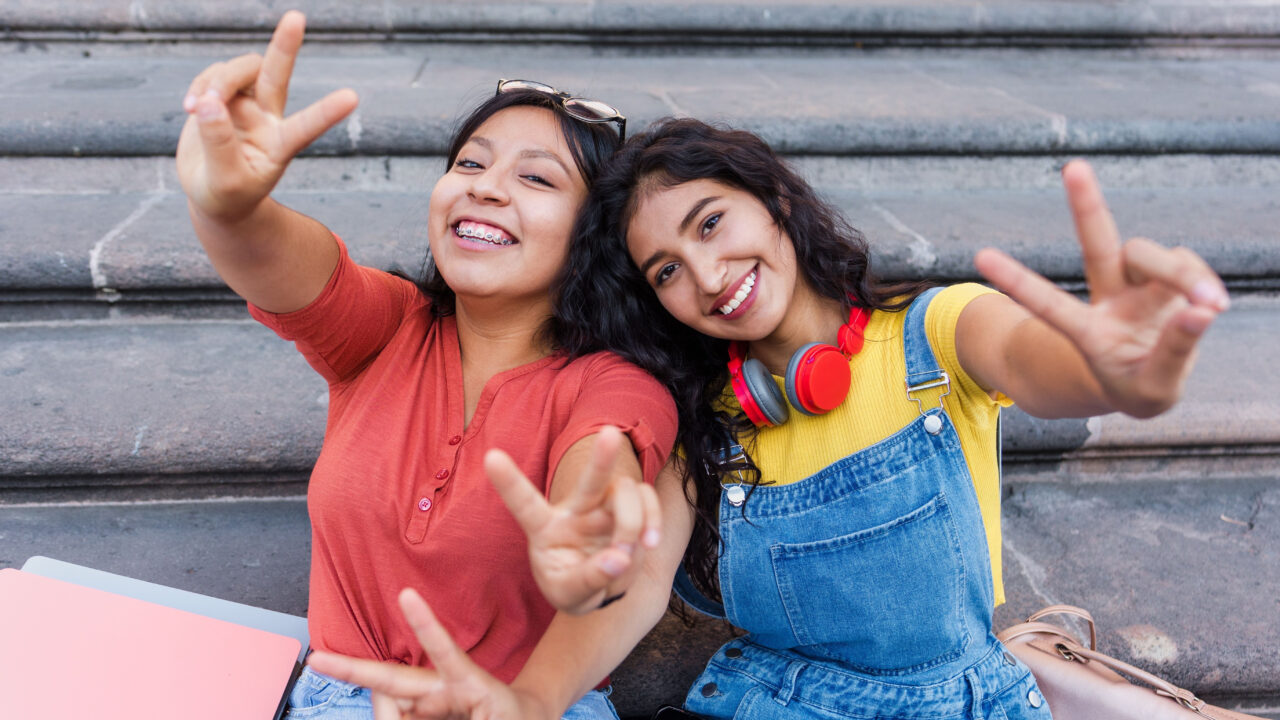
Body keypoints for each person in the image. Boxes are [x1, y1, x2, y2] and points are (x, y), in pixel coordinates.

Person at [315, 116, 1229, 720]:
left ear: (778, 200)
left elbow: (1052, 370)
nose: (705, 275)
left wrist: (1127, 376)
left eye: (711, 224)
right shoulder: (704, 419)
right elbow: (633, 587)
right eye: (665, 271)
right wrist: (530, 699)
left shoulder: (938, 332)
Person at [175, 10, 683, 719]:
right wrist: (227, 208)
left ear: (591, 238)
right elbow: (278, 260)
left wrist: (591, 534)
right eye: (470, 163)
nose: (485, 186)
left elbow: (599, 476)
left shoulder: (611, 383)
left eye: (536, 179)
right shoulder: (388, 328)